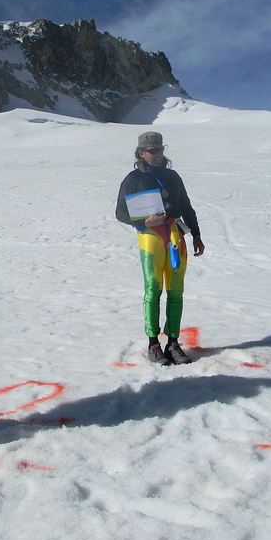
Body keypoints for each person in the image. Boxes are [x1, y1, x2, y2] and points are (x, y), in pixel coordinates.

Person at [116, 132, 205, 365]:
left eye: (160, 150)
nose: (157, 155)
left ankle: (173, 343)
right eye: (152, 151)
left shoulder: (172, 176)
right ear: (141, 153)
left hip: (175, 235)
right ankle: (153, 345)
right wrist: (144, 223)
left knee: (176, 291)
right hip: (150, 237)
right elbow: (121, 213)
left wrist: (196, 235)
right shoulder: (133, 179)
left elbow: (186, 206)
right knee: (153, 289)